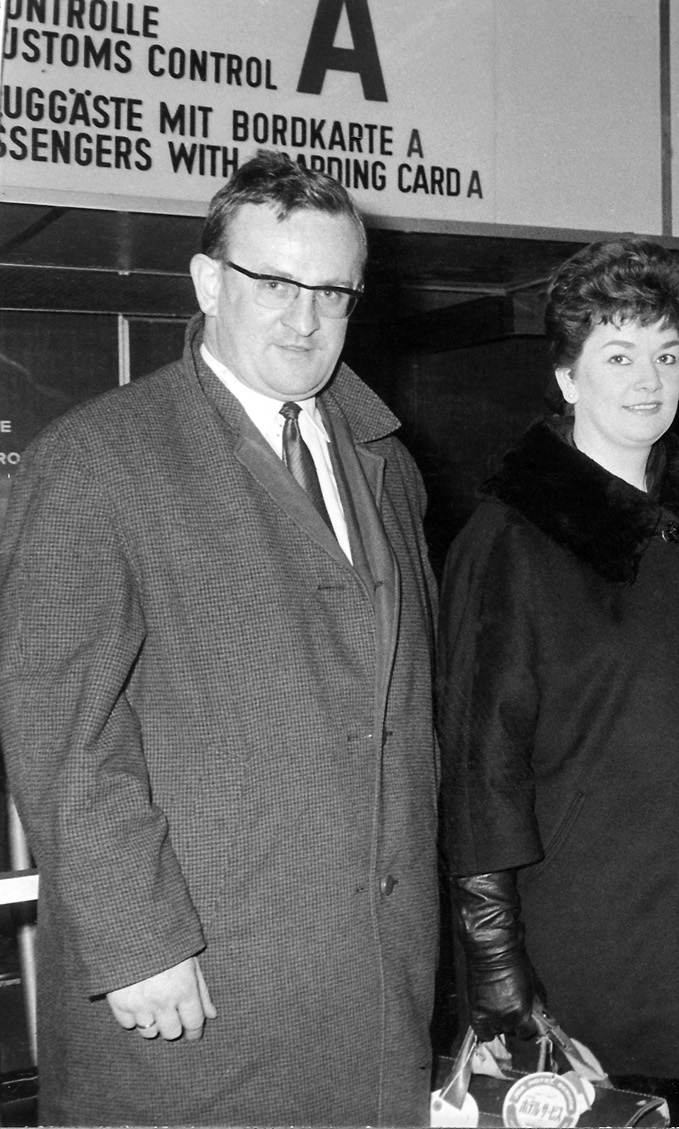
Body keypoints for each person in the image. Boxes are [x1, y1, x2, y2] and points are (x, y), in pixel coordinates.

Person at [0, 151, 439, 1124]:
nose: (304, 316)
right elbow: (63, 731)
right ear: (207, 281)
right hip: (200, 966)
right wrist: (138, 937)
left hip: (370, 969)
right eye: (273, 282)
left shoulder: (387, 466)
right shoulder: (97, 459)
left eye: (332, 291)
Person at [436, 238, 679, 1129]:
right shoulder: (512, 539)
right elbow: (479, 767)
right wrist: (496, 968)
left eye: (666, 354)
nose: (648, 379)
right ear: (567, 377)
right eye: (617, 354)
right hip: (589, 944)